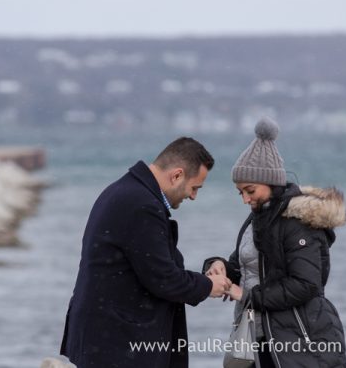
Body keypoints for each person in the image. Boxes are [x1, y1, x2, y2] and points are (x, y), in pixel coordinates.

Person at [60, 137, 231, 368]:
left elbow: (152, 267)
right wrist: (209, 286)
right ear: (177, 175)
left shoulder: (124, 191)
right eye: (194, 188)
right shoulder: (142, 205)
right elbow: (164, 279)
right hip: (118, 345)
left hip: (104, 338)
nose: (193, 196)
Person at [204, 117, 346, 367]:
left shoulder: (298, 221)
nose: (245, 199)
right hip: (255, 336)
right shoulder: (258, 219)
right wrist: (221, 267)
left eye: (250, 190)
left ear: (271, 182)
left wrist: (249, 296)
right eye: (241, 192)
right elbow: (247, 267)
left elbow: (306, 284)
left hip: (298, 338)